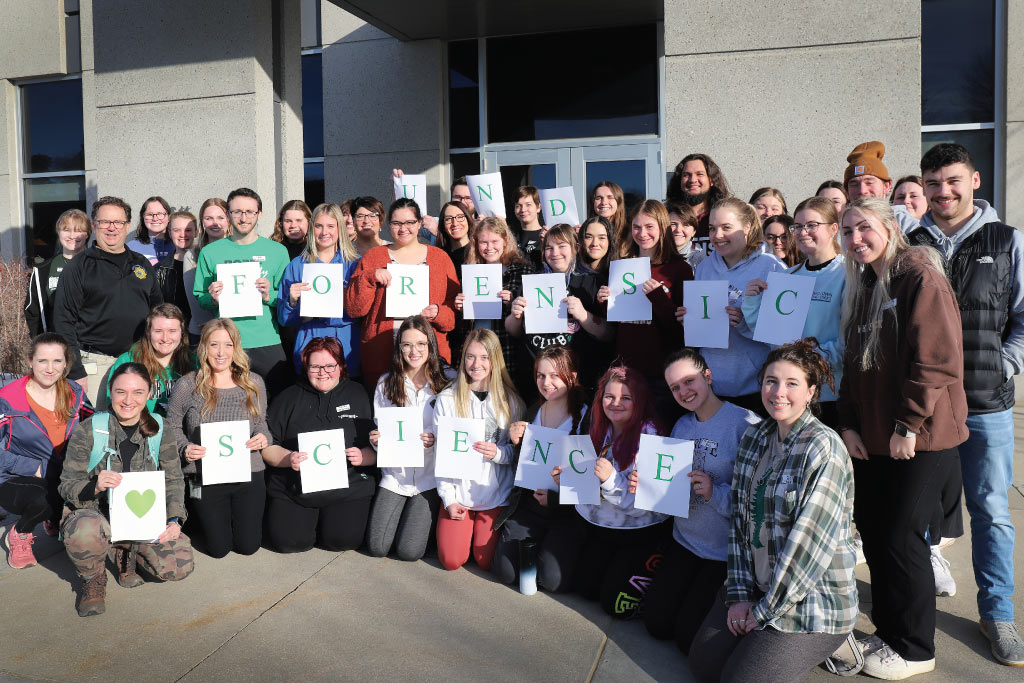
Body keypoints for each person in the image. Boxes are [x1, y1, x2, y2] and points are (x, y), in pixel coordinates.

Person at [837, 198, 967, 679]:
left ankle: (915, 649)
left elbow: (936, 361)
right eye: (847, 232)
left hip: (921, 438)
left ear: (891, 227)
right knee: (875, 532)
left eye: (864, 228)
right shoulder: (867, 284)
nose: (855, 240)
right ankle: (890, 632)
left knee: (900, 537)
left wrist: (907, 425)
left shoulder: (919, 276)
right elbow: (854, 365)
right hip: (873, 438)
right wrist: (848, 423)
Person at [907, 142, 1024, 667]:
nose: (942, 192)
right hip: (927, 407)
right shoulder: (909, 243)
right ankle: (909, 607)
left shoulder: (1006, 241)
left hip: (986, 404)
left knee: (991, 511)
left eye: (952, 180)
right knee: (915, 510)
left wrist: (1006, 363)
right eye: (932, 184)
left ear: (975, 181)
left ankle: (997, 612)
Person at [689, 341, 858, 683]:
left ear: (811, 392)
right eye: (770, 381)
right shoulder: (756, 437)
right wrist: (738, 596)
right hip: (757, 586)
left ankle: (833, 643)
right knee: (703, 665)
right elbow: (740, 522)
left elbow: (806, 551)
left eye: (792, 383)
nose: (778, 392)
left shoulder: (823, 449)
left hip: (810, 601)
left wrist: (763, 612)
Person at [640, 348, 761, 654]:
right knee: (655, 624)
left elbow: (759, 506)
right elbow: (667, 492)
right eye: (675, 387)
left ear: (708, 376)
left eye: (689, 380)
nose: (683, 391)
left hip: (724, 553)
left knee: (686, 639)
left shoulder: (746, 425)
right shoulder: (681, 426)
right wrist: (645, 486)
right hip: (684, 541)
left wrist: (713, 492)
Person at [59, 363, 194, 617]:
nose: (128, 400)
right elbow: (67, 485)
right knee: (84, 531)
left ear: (149, 394)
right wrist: (95, 485)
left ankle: (126, 553)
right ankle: (93, 578)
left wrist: (174, 519)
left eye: (138, 392)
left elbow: (174, 480)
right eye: (121, 392)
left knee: (178, 565)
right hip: (97, 515)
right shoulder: (89, 429)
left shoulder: (160, 429)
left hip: (141, 518)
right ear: (110, 392)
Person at [553, 365, 668, 618]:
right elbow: (586, 489)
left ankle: (656, 567)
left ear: (639, 401)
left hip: (640, 531)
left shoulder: (652, 436)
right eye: (610, 396)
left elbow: (645, 508)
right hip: (603, 526)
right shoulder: (597, 427)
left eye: (626, 398)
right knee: (585, 589)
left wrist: (611, 481)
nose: (616, 404)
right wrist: (568, 483)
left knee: (616, 607)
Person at [167, 318, 271, 559]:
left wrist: (263, 438)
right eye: (214, 344)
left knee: (248, 547)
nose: (221, 352)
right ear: (204, 347)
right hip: (205, 476)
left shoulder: (253, 383)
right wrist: (185, 447)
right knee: (218, 549)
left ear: (237, 348)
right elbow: (171, 425)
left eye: (228, 344)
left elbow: (261, 423)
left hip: (248, 473)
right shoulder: (187, 385)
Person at [261, 337, 375, 553]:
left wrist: (365, 455)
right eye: (315, 366)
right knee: (290, 542)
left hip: (348, 488)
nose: (323, 372)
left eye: (330, 366)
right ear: (306, 367)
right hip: (295, 489)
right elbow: (267, 444)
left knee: (342, 540)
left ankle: (330, 524)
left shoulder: (360, 395)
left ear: (340, 366)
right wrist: (288, 458)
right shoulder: (287, 398)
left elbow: (383, 443)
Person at [492, 346, 590, 589]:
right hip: (528, 507)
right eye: (541, 375)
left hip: (566, 514)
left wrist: (557, 499)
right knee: (506, 573)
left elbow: (587, 484)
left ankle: (552, 553)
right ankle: (537, 549)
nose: (547, 383)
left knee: (552, 581)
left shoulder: (588, 418)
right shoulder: (533, 411)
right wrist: (516, 445)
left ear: (573, 377)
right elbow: (522, 471)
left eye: (555, 375)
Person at [742, 197, 845, 427]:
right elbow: (773, 340)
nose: (803, 232)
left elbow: (847, 344)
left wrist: (804, 363)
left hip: (829, 396)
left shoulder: (846, 274)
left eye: (811, 225)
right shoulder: (788, 277)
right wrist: (751, 301)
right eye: (797, 226)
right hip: (790, 398)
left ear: (833, 229)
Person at [53, 196, 164, 409]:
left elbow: (157, 314)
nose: (112, 228)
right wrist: (76, 371)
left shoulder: (141, 265)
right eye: (105, 222)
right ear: (95, 225)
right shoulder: (79, 266)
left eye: (118, 222)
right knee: (98, 430)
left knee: (137, 428)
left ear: (127, 225)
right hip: (94, 366)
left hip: (137, 361)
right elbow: (63, 320)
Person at [680, 197, 785, 414]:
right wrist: (689, 320)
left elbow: (782, 337)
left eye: (726, 227)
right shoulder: (704, 268)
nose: (717, 235)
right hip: (712, 386)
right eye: (712, 228)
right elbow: (704, 326)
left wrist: (744, 323)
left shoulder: (771, 266)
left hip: (756, 388)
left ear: (746, 227)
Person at [345, 197, 459, 390]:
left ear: (420, 223)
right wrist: (369, 277)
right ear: (389, 225)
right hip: (383, 351)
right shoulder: (374, 257)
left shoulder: (440, 258)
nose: (403, 228)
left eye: (410, 222)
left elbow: (453, 315)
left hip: (428, 354)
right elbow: (354, 309)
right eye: (397, 223)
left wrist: (438, 313)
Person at [434, 329, 524, 571]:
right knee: (452, 560)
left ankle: (479, 535)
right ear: (463, 359)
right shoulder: (447, 400)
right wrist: (449, 499)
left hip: (495, 493)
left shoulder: (510, 401)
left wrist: (498, 453)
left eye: (484, 357)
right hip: (460, 493)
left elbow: (515, 454)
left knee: (485, 562)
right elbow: (441, 457)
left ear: (495, 361)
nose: (476, 364)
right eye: (470, 357)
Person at [0, 333, 93, 569]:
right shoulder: (8, 399)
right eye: (43, 361)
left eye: (57, 361)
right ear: (30, 361)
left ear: (66, 364)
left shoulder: (74, 393)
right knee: (45, 499)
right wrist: (33, 467)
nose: (50, 369)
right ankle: (20, 533)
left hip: (60, 473)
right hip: (17, 477)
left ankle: (53, 517)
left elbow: (94, 428)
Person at [365, 317, 453, 560]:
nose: (414, 351)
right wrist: (376, 440)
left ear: (431, 345)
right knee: (377, 547)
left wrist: (438, 439)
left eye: (421, 344)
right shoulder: (386, 383)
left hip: (430, 479)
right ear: (399, 348)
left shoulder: (448, 381)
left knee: (409, 551)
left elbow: (458, 429)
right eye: (406, 345)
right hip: (395, 476)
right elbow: (380, 427)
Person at [597, 199, 691, 420]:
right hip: (625, 374)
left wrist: (658, 297)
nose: (642, 233)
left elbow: (681, 332)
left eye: (649, 227)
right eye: (637, 227)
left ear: (662, 227)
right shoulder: (622, 266)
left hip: (661, 376)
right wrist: (605, 303)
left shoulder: (679, 269)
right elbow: (616, 327)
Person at [193, 187, 291, 396]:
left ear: (259, 214)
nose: (243, 217)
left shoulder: (277, 251)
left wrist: (269, 296)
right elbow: (200, 297)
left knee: (275, 402)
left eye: (249, 212)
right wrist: (212, 298)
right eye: (237, 212)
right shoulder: (211, 252)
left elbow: (287, 298)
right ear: (228, 214)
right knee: (229, 404)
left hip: (267, 339)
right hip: (226, 343)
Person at [507, 224, 613, 395]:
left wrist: (583, 315)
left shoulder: (592, 282)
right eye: (549, 247)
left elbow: (608, 334)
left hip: (578, 383)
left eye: (562, 246)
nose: (555, 253)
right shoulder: (532, 282)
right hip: (538, 383)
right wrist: (515, 316)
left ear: (576, 248)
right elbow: (514, 331)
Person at [277, 203, 361, 375]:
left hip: (346, 343)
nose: (324, 232)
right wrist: (292, 301)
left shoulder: (355, 264)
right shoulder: (297, 266)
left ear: (340, 229)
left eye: (331, 226)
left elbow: (362, 311)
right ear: (311, 228)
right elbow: (284, 319)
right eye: (318, 226)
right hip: (309, 341)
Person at [454, 216, 533, 383]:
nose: (489, 247)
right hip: (475, 350)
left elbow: (531, 317)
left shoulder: (522, 270)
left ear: (505, 241)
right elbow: (463, 325)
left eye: (494, 241)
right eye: (483, 242)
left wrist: (513, 302)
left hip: (505, 350)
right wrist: (461, 308)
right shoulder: (471, 271)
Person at [107, 304, 196, 417]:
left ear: (182, 333)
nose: (165, 338)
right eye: (158, 331)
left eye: (172, 331)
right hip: (140, 429)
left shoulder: (194, 362)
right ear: (148, 332)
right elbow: (114, 403)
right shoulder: (128, 361)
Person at [24, 209, 91, 337]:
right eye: (66, 230)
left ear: (87, 234)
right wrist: (41, 342)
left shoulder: (98, 266)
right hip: (56, 345)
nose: (72, 236)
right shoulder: (42, 270)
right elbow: (33, 312)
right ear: (58, 232)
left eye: (78, 230)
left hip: (92, 347)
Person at [183, 199, 231, 344]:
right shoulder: (192, 256)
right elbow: (195, 300)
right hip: (203, 330)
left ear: (229, 220)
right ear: (202, 222)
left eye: (220, 218)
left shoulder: (240, 251)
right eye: (208, 218)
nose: (215, 223)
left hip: (233, 330)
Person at [843, 141, 918, 232]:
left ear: (887, 186)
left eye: (869, 182)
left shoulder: (906, 226)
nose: (862, 190)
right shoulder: (840, 229)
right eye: (854, 184)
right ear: (847, 191)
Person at [665, 153, 732, 239]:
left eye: (699, 174)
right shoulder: (666, 217)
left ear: (711, 180)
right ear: (679, 181)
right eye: (686, 175)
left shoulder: (725, 216)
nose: (692, 180)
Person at [155, 211, 197, 331]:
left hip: (202, 329)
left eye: (188, 230)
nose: (182, 234)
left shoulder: (205, 263)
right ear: (170, 233)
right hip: (174, 332)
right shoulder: (159, 270)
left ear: (196, 232)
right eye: (177, 230)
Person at [127, 196, 174, 265]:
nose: (155, 218)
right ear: (143, 217)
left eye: (160, 214)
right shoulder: (131, 247)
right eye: (150, 214)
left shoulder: (177, 246)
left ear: (169, 217)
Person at [589, 182, 627, 257]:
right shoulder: (586, 232)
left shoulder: (629, 233)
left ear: (618, 202)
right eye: (598, 198)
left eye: (610, 197)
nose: (604, 202)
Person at [514, 186, 545, 269]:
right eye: (518, 206)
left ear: (538, 207)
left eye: (528, 205)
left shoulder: (546, 236)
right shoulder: (511, 237)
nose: (523, 209)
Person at [666, 200, 705, 268]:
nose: (678, 230)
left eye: (685, 225)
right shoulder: (654, 257)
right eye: (673, 224)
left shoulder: (701, 262)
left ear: (694, 232)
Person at [437, 200, 473, 271]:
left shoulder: (478, 253)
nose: (455, 223)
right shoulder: (439, 257)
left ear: (468, 220)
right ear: (443, 225)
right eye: (448, 219)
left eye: (460, 217)